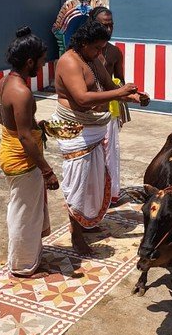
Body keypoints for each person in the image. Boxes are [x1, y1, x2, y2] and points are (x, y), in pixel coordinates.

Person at [54, 19, 142, 256]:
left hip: (93, 128)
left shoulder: (92, 59)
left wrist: (132, 97)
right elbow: (82, 98)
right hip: (75, 129)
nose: (101, 52)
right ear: (83, 43)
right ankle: (76, 233)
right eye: (97, 48)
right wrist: (120, 92)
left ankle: (85, 221)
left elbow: (105, 84)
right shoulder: (69, 61)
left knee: (94, 179)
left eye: (103, 48)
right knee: (78, 183)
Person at [0, 26, 59, 277]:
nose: (41, 68)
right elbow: (23, 138)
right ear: (29, 62)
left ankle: (28, 257)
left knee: (24, 209)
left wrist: (33, 127)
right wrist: (48, 171)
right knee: (23, 213)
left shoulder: (3, 83)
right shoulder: (22, 92)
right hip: (21, 160)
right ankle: (21, 266)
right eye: (41, 64)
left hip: (8, 153)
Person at [89, 6, 150, 203]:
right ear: (92, 25)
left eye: (111, 25)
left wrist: (137, 96)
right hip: (88, 113)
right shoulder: (82, 52)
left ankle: (110, 195)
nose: (108, 30)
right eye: (103, 25)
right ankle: (92, 197)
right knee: (91, 159)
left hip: (110, 111)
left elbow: (120, 83)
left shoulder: (115, 52)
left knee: (110, 155)